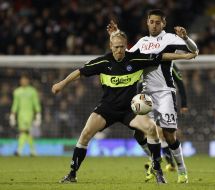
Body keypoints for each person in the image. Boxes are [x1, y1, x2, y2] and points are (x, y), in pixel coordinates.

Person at [52, 30, 197, 184]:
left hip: (130, 109)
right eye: (116, 47)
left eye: (121, 47)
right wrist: (61, 84)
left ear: (126, 46)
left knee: (151, 129)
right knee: (85, 134)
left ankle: (158, 170)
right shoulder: (103, 62)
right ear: (110, 46)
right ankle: (72, 174)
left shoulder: (135, 59)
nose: (119, 50)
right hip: (107, 109)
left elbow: (161, 56)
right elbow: (79, 72)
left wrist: (184, 56)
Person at [107, 9, 198, 183]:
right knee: (139, 133)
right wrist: (116, 35)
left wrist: (186, 38)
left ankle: (182, 170)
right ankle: (155, 161)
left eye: (158, 22)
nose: (154, 25)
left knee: (169, 134)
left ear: (163, 23)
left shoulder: (170, 38)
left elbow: (194, 50)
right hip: (145, 95)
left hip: (165, 92)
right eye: (151, 21)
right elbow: (126, 56)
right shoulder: (142, 42)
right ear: (147, 22)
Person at [9, 74, 42, 156]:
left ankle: (19, 150)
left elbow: (36, 103)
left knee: (24, 132)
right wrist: (12, 115)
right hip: (20, 115)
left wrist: (38, 114)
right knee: (26, 132)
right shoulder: (17, 92)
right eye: (22, 80)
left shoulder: (32, 91)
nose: (23, 81)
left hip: (29, 114)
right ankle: (32, 151)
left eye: (25, 80)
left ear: (28, 81)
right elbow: (15, 104)